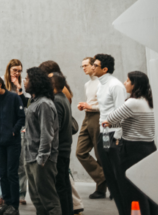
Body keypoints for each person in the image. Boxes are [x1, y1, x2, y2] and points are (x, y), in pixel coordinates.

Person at [103, 71, 158, 215]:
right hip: (149, 147)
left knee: (133, 189)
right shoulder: (148, 101)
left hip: (133, 150)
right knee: (148, 188)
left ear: (135, 84)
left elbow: (110, 118)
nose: (124, 83)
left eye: (128, 81)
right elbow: (125, 122)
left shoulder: (132, 102)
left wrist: (108, 122)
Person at [93, 53, 129, 215]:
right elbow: (104, 109)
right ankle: (121, 209)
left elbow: (121, 112)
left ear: (105, 69)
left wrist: (118, 137)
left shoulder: (115, 85)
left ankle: (126, 210)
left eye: (95, 65)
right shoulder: (101, 85)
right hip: (105, 134)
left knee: (118, 175)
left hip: (114, 134)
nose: (92, 67)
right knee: (109, 173)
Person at [0, 73, 24, 215]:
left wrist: (14, 131)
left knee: (11, 173)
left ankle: (14, 206)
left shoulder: (13, 97)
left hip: (13, 141)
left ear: (0, 84)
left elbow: (22, 118)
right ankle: (7, 203)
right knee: (3, 173)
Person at [24, 67, 60, 215]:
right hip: (31, 157)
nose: (24, 81)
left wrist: (42, 159)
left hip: (42, 160)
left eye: (27, 79)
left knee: (48, 201)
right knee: (37, 199)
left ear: (35, 82)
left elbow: (47, 134)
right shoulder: (34, 102)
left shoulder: (44, 104)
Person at [76, 57, 106, 200]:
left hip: (98, 117)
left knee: (100, 153)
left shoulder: (102, 83)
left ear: (93, 65)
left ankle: (101, 189)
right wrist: (85, 106)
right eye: (82, 66)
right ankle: (105, 178)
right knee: (80, 152)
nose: (84, 68)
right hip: (87, 117)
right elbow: (91, 102)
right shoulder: (87, 84)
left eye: (86, 65)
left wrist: (91, 106)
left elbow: (106, 105)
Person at [5, 59, 29, 210]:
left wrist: (19, 88)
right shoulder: (3, 85)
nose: (17, 73)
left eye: (19, 71)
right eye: (15, 70)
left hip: (19, 127)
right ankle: (3, 195)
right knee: (4, 165)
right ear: (9, 70)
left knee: (20, 163)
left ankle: (21, 194)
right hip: (5, 128)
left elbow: (25, 104)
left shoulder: (22, 86)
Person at [50, 72, 74, 215]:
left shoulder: (57, 101)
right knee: (64, 184)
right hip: (65, 148)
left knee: (60, 185)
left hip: (59, 149)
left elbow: (55, 127)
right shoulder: (63, 98)